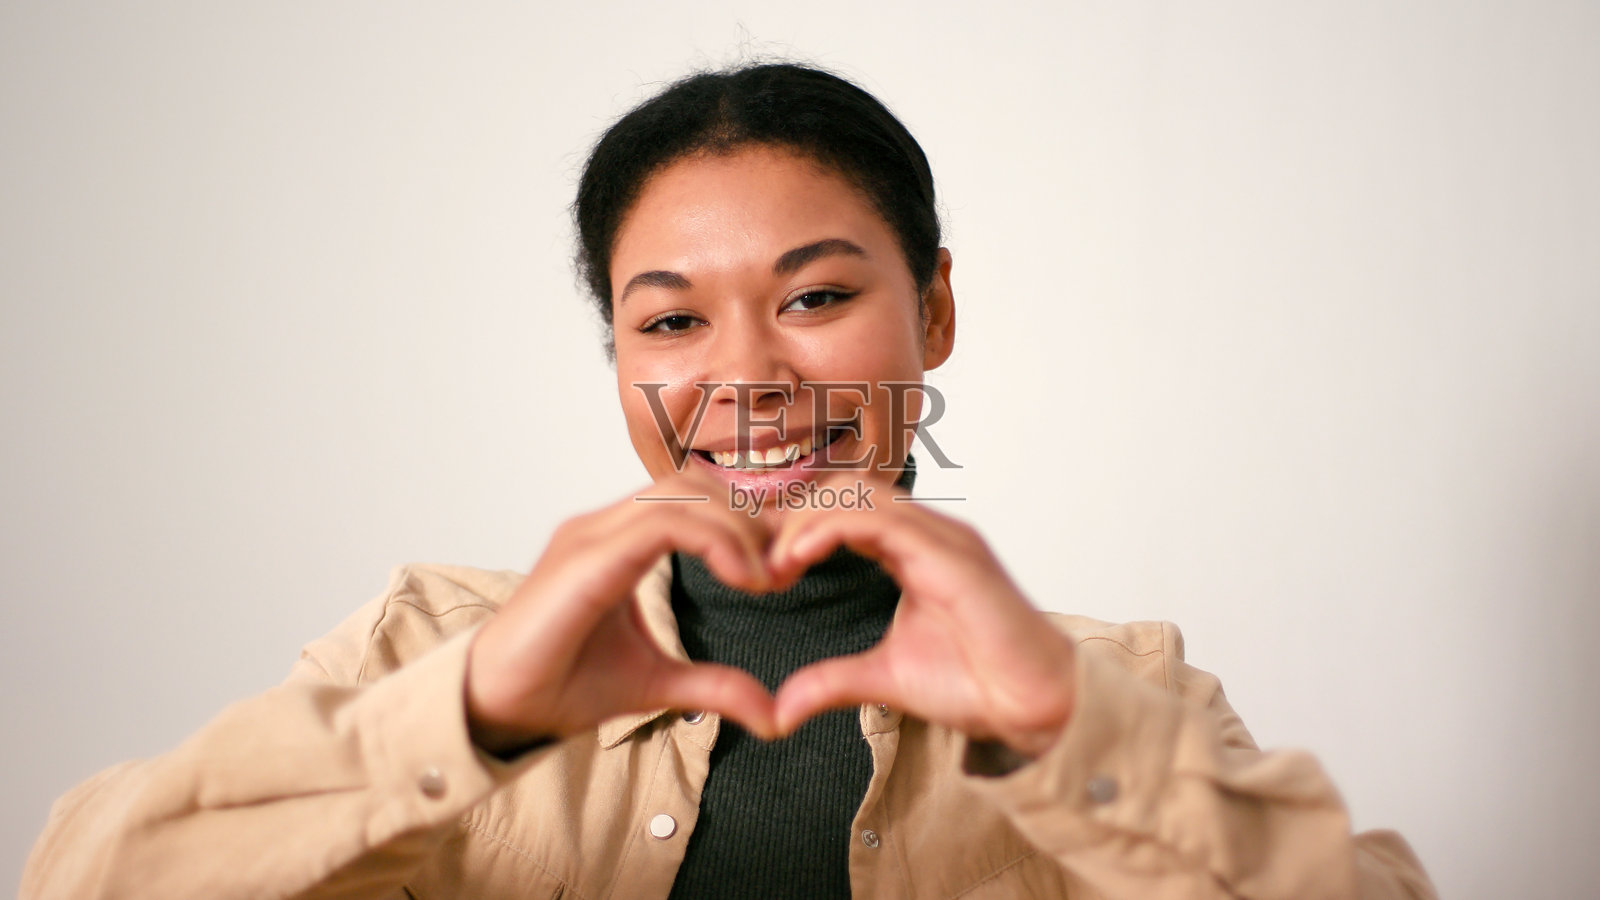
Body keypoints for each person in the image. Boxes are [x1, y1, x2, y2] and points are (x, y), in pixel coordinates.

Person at [21, 61, 1436, 899]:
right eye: (673, 320)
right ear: (619, 351)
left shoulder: (1124, 687)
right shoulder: (434, 644)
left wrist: (1073, 732)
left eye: (816, 298)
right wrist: (477, 717)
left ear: (933, 310)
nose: (747, 376)